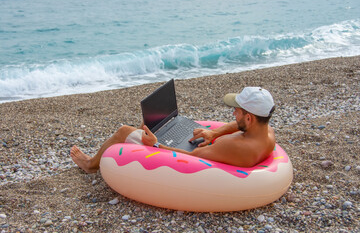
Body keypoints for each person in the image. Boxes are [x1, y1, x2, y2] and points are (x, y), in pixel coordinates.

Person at [70, 86, 276, 173]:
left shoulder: (233, 146)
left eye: (237, 111)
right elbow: (236, 127)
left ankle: (90, 164)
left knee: (124, 130)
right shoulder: (268, 134)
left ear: (249, 118)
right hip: (218, 148)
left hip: (196, 164)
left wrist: (156, 144)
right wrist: (214, 132)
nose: (233, 115)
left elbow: (191, 155)